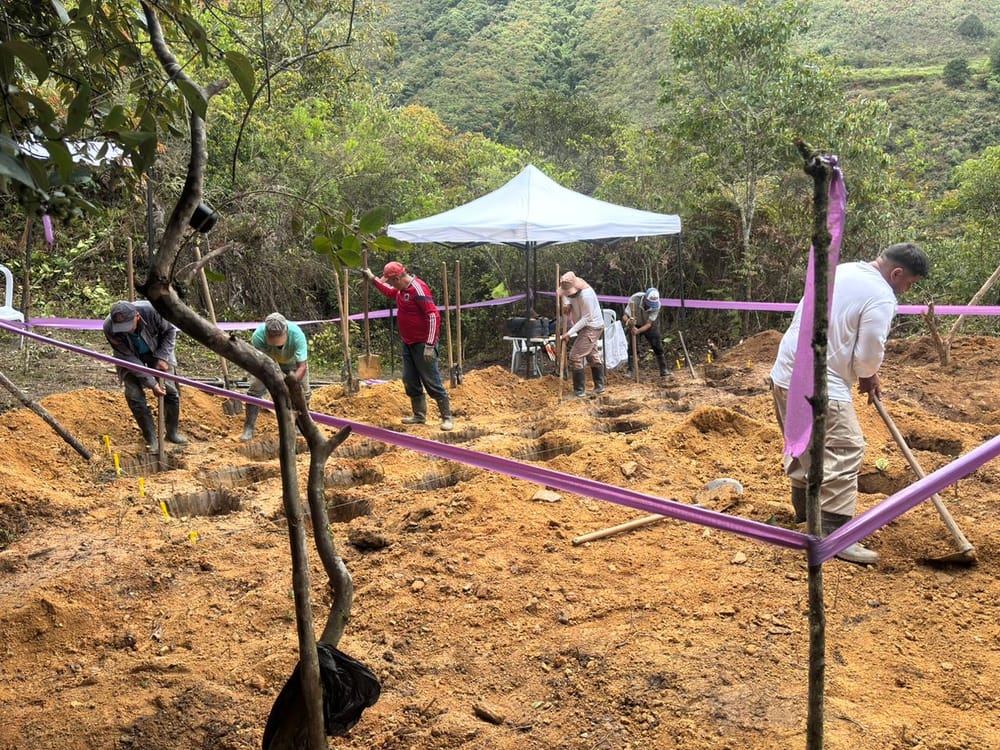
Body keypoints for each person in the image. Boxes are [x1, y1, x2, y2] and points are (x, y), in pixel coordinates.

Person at [770, 242, 930, 565]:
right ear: (896, 273)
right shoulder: (882, 296)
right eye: (909, 283)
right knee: (845, 446)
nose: (907, 290)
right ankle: (836, 535)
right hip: (821, 382)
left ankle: (805, 512)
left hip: (785, 374)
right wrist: (868, 373)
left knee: (805, 444)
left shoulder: (841, 271)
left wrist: (865, 372)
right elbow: (868, 354)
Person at [362, 261, 454, 431]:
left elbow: (433, 316)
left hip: (422, 344)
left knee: (431, 380)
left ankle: (447, 417)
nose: (390, 284)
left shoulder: (418, 289)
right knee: (410, 379)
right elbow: (390, 293)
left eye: (390, 281)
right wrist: (373, 279)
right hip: (408, 342)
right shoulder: (401, 289)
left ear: (397, 278)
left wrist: (429, 344)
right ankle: (419, 415)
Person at [104, 300, 187, 452]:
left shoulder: (154, 311)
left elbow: (170, 331)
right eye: (121, 328)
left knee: (170, 391)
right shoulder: (109, 327)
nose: (125, 331)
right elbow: (128, 358)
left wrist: (162, 357)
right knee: (134, 395)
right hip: (130, 357)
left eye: (128, 326)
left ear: (137, 316)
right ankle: (151, 437)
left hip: (158, 349)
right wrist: (152, 383)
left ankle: (172, 432)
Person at [241, 312, 310, 441]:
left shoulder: (297, 335)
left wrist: (291, 383)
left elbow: (302, 367)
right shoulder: (258, 336)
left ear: (286, 332)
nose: (276, 343)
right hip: (269, 363)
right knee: (254, 391)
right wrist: (273, 379)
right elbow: (261, 363)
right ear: (267, 333)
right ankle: (249, 428)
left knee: (304, 393)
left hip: (294, 363)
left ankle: (302, 426)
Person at [558, 271, 605, 398]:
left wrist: (569, 333)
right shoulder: (569, 289)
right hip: (583, 326)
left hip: (592, 326)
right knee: (592, 354)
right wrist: (566, 303)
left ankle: (579, 391)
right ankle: (599, 387)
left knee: (575, 356)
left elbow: (586, 318)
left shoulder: (586, 296)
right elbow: (564, 295)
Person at [621, 287, 667, 377]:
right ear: (645, 298)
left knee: (657, 345)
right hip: (634, 323)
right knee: (632, 348)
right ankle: (631, 371)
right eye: (649, 304)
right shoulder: (635, 299)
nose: (650, 306)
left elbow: (649, 324)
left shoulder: (657, 305)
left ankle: (664, 370)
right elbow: (625, 316)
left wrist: (638, 331)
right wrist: (630, 323)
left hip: (648, 325)